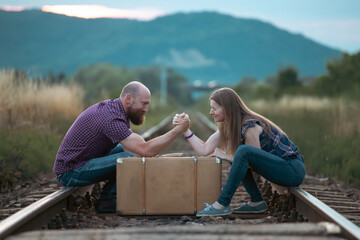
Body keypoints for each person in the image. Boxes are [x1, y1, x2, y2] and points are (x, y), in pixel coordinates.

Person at [54, 81, 189, 212]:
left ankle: (111, 197)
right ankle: (108, 200)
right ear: (129, 99)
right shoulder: (110, 118)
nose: (146, 109)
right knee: (129, 158)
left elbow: (139, 145)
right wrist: (177, 131)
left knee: (131, 152)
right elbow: (145, 150)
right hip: (70, 171)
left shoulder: (118, 111)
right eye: (144, 104)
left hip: (83, 162)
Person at [173, 87, 305, 217]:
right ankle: (256, 201)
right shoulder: (229, 125)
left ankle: (222, 203)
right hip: (281, 168)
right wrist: (185, 130)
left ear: (228, 109)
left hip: (291, 170)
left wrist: (226, 156)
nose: (211, 112)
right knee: (239, 155)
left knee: (242, 152)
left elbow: (254, 160)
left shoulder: (250, 126)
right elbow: (205, 149)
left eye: (214, 108)